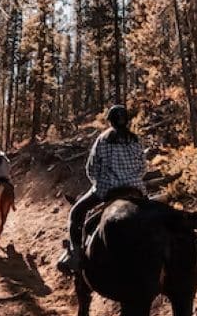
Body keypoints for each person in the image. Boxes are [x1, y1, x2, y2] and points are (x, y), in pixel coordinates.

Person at [57, 104, 147, 275]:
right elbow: (143, 167)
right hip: (135, 189)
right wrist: (132, 178)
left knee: (76, 212)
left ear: (110, 121)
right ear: (127, 120)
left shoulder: (103, 139)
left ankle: (76, 255)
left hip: (108, 189)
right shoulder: (135, 139)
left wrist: (99, 182)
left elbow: (91, 168)